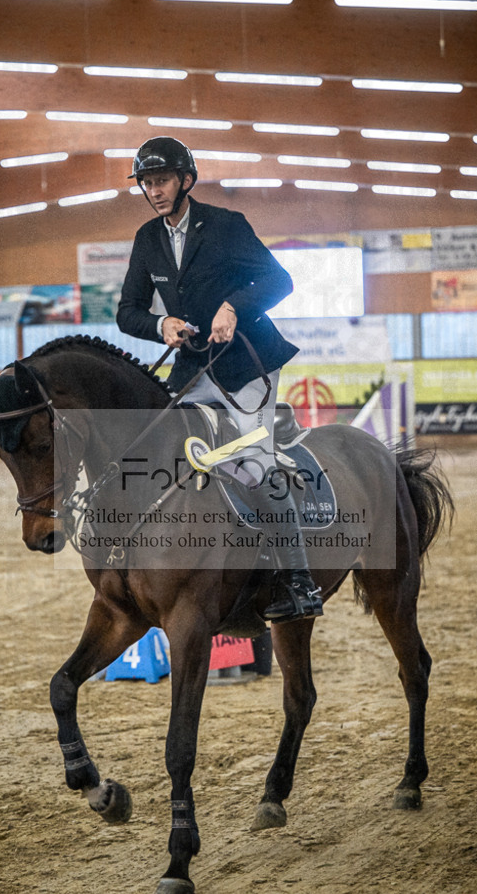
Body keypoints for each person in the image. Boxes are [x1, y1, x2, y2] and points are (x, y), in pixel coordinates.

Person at [116, 136, 323, 622]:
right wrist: (161, 325)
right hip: (193, 366)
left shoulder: (227, 225)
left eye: (162, 180)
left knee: (253, 461)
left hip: (247, 363)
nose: (154, 191)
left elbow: (279, 281)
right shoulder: (147, 239)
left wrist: (232, 307)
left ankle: (298, 581)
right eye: (147, 183)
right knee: (160, 449)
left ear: (186, 180)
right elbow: (127, 311)